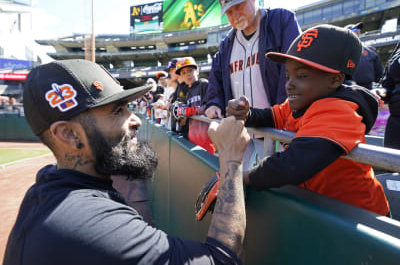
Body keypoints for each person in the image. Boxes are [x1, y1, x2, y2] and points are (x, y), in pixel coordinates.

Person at [4, 59, 249, 264]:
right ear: (69, 134)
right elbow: (221, 260)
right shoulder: (88, 226)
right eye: (117, 110)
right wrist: (231, 159)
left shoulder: (48, 186)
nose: (135, 120)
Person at [226, 25, 390, 216]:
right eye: (288, 75)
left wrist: (237, 176)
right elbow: (273, 115)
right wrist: (246, 114)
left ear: (335, 80)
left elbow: (292, 165)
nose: (289, 84)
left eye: (302, 75)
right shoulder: (302, 101)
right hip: (326, 210)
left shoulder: (339, 110)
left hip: (362, 218)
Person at [204, 0, 301, 119]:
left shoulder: (281, 21)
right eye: (229, 12)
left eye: (239, 5)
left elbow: (296, 70)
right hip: (241, 132)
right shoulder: (227, 44)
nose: (236, 15)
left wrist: (283, 118)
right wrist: (214, 103)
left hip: (277, 130)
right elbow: (215, 80)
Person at [175, 56, 216, 154]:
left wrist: (191, 110)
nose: (187, 74)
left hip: (206, 137)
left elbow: (211, 108)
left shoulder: (204, 84)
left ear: (197, 70)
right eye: (183, 73)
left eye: (190, 70)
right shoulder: (187, 91)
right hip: (193, 135)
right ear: (180, 76)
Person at [345, 22, 383, 90]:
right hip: (350, 90)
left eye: (358, 30)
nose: (357, 31)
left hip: (370, 89)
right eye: (353, 30)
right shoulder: (340, 52)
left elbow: (380, 74)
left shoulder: (370, 50)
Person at [376, 41, 400, 149]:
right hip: (395, 119)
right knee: (389, 161)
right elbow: (388, 84)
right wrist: (382, 93)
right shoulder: (397, 51)